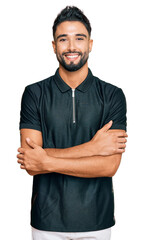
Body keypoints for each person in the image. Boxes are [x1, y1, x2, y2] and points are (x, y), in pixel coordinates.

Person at [17, 6, 127, 240]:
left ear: (90, 44)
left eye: (79, 38)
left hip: (97, 221)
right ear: (54, 46)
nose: (71, 47)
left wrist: (47, 159)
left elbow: (109, 167)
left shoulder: (113, 95)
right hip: (47, 222)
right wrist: (92, 149)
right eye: (63, 39)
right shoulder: (34, 94)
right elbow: (32, 164)